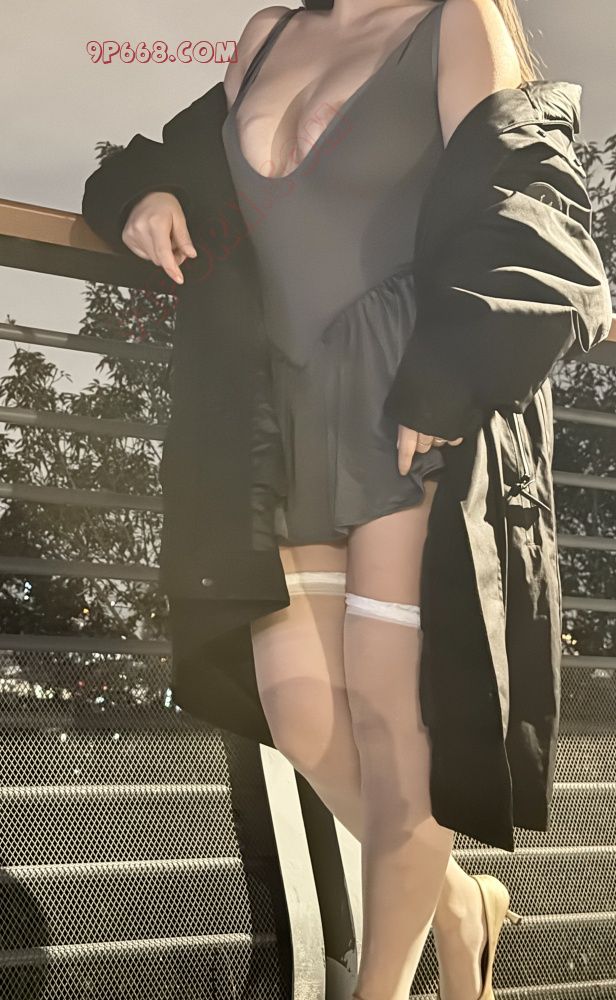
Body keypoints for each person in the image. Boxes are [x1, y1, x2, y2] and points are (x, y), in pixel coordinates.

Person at [83, 2, 612, 999]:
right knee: (298, 713)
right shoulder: (269, 34)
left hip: (405, 399)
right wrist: (143, 193)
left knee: (391, 716)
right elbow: (178, 161)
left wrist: (450, 382)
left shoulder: (457, 22)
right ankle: (459, 902)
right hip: (275, 415)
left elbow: (522, 201)